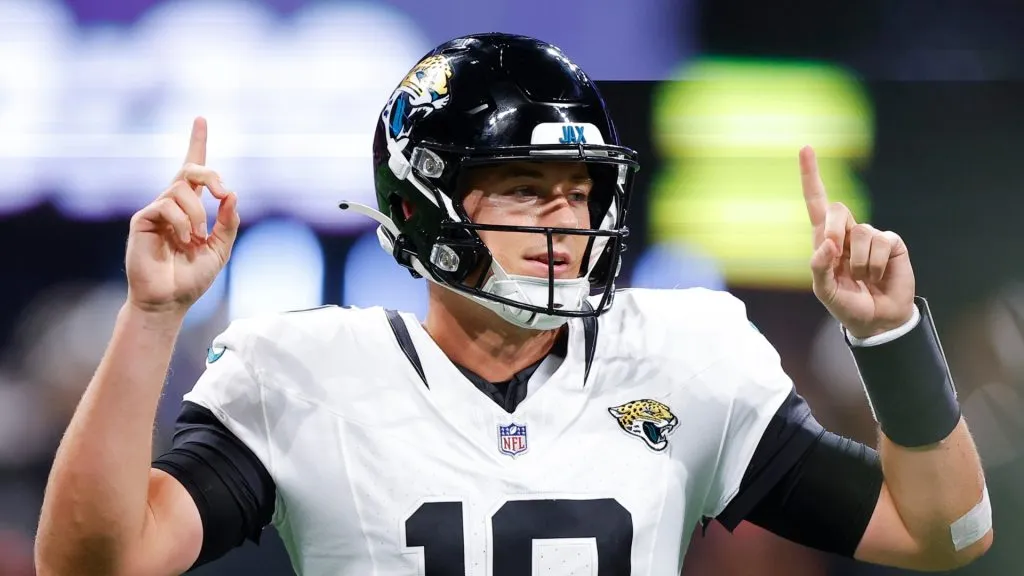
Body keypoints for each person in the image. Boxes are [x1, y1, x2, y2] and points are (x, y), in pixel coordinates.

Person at [35, 33, 991, 576]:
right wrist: (151, 317)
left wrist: (891, 337)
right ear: (424, 206)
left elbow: (946, 532)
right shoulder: (302, 375)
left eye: (579, 192)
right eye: (528, 189)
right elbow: (91, 566)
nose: (564, 221)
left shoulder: (685, 356)